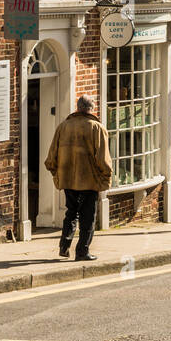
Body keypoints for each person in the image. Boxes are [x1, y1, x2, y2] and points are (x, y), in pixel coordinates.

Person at [45, 94, 112, 262]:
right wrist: (106, 175)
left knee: (71, 213)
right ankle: (82, 251)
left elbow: (51, 157)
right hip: (89, 181)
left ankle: (64, 246)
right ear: (92, 108)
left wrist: (56, 172)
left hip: (68, 179)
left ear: (78, 107)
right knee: (88, 217)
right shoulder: (97, 128)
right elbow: (103, 160)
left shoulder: (63, 126)